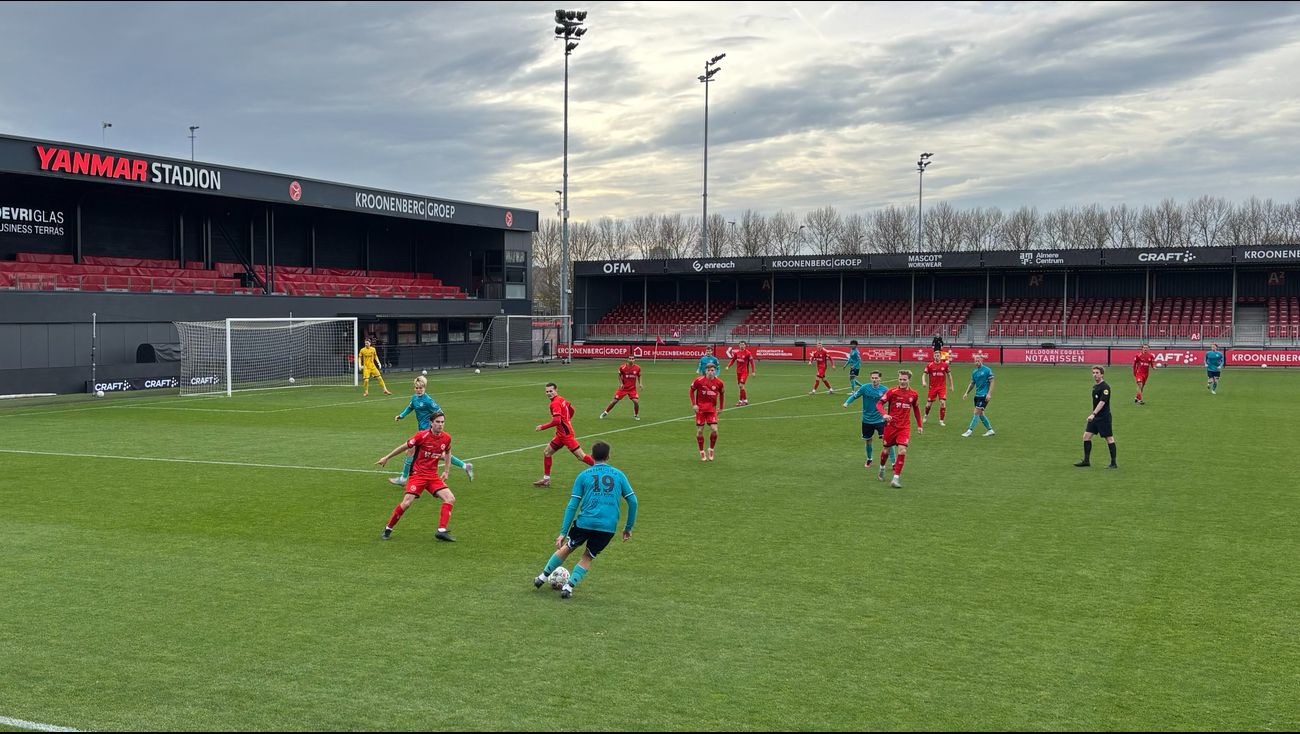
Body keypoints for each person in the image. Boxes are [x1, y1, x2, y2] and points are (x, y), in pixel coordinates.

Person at [531, 440, 637, 599]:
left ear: (592, 456)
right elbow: (633, 502)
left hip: (585, 522)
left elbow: (572, 505)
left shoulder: (583, 476)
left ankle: (542, 577)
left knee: (568, 547)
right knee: (588, 556)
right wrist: (628, 528)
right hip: (607, 527)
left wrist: (562, 532)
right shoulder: (619, 475)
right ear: (608, 456)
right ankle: (568, 587)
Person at [375, 412, 456, 541]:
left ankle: (441, 531)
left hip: (432, 476)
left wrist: (446, 470)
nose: (440, 424)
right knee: (407, 503)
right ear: (431, 423)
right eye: (438, 422)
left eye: (442, 422)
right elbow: (404, 446)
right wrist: (387, 457)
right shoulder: (421, 436)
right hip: (417, 475)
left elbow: (448, 453)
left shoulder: (446, 438)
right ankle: (388, 528)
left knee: (450, 498)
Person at [390, 375, 473, 486]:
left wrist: (435, 424)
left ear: (425, 388)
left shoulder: (428, 401)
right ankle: (465, 466)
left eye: (421, 388)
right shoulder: (414, 398)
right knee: (440, 455)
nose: (419, 390)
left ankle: (404, 478)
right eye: (417, 388)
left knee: (410, 450)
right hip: (422, 431)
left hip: (429, 432)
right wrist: (402, 415)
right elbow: (410, 407)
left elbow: (440, 412)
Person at [533, 382, 595, 487]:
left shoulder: (555, 403)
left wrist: (542, 427)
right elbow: (572, 410)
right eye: (547, 391)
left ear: (556, 390)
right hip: (560, 435)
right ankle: (546, 480)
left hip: (566, 435)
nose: (548, 393)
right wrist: (567, 420)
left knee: (581, 456)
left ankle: (605, 470)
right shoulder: (562, 399)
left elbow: (557, 420)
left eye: (551, 391)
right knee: (547, 452)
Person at [843, 369, 895, 478]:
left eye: (876, 378)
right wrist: (847, 402)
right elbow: (854, 396)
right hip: (867, 420)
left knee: (888, 442)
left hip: (881, 420)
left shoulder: (885, 390)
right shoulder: (865, 388)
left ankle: (894, 463)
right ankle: (869, 459)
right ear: (870, 378)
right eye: (873, 378)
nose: (874, 380)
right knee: (868, 441)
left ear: (880, 378)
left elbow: (892, 402)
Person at [876, 370, 923, 488]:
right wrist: (884, 414)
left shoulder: (913, 394)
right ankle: (882, 467)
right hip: (890, 426)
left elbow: (916, 409)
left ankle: (896, 478)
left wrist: (919, 425)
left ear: (909, 380)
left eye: (904, 380)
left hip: (904, 427)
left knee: (902, 450)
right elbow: (879, 404)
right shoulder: (892, 392)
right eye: (900, 379)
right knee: (886, 451)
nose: (902, 382)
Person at [1075, 366, 1117, 469]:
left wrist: (1093, 414)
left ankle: (1113, 463)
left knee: (1109, 438)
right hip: (1095, 417)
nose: (1095, 375)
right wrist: (1094, 415)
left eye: (1097, 373)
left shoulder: (1105, 387)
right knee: (1086, 437)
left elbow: (1102, 402)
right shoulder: (1095, 387)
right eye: (1093, 373)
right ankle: (1086, 461)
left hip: (1103, 417)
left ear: (1102, 374)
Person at [690, 363, 725, 461]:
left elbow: (722, 394)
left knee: (714, 429)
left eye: (712, 370)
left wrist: (721, 407)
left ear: (715, 371)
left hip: (711, 409)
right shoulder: (699, 381)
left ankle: (711, 449)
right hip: (700, 409)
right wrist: (694, 404)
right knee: (700, 430)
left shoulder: (719, 382)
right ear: (705, 371)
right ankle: (701, 451)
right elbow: (691, 391)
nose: (710, 372)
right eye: (708, 370)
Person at [961, 354, 996, 437]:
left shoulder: (987, 370)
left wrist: (989, 394)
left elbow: (992, 382)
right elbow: (972, 383)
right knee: (981, 414)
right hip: (977, 396)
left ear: (982, 361)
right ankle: (990, 430)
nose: (977, 362)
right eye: (975, 361)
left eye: (978, 361)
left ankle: (969, 430)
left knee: (976, 412)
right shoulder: (974, 372)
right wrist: (966, 393)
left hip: (984, 395)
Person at [600, 354, 642, 420]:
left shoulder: (638, 368)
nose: (631, 360)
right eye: (630, 358)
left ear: (634, 360)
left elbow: (639, 376)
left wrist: (640, 384)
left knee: (636, 402)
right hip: (623, 388)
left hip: (632, 389)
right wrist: (621, 383)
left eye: (632, 359)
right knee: (614, 401)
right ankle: (605, 412)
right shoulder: (622, 367)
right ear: (627, 359)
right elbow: (619, 376)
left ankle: (636, 415)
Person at [922, 350, 951, 427]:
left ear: (940, 356)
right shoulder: (930, 365)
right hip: (932, 388)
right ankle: (926, 415)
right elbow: (924, 374)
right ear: (933, 356)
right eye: (935, 355)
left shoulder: (945, 365)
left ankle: (941, 420)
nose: (937, 357)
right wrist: (924, 382)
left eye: (938, 355)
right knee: (928, 405)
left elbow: (949, 375)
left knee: (942, 403)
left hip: (942, 387)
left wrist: (951, 385)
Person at [724, 340, 756, 406]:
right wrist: (728, 366)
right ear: (739, 345)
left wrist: (753, 371)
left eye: (743, 344)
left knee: (741, 385)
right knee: (741, 387)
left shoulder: (748, 353)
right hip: (738, 372)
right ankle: (745, 400)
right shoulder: (737, 353)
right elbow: (732, 360)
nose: (742, 346)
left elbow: (752, 363)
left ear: (745, 345)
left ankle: (740, 401)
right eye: (740, 344)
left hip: (745, 372)